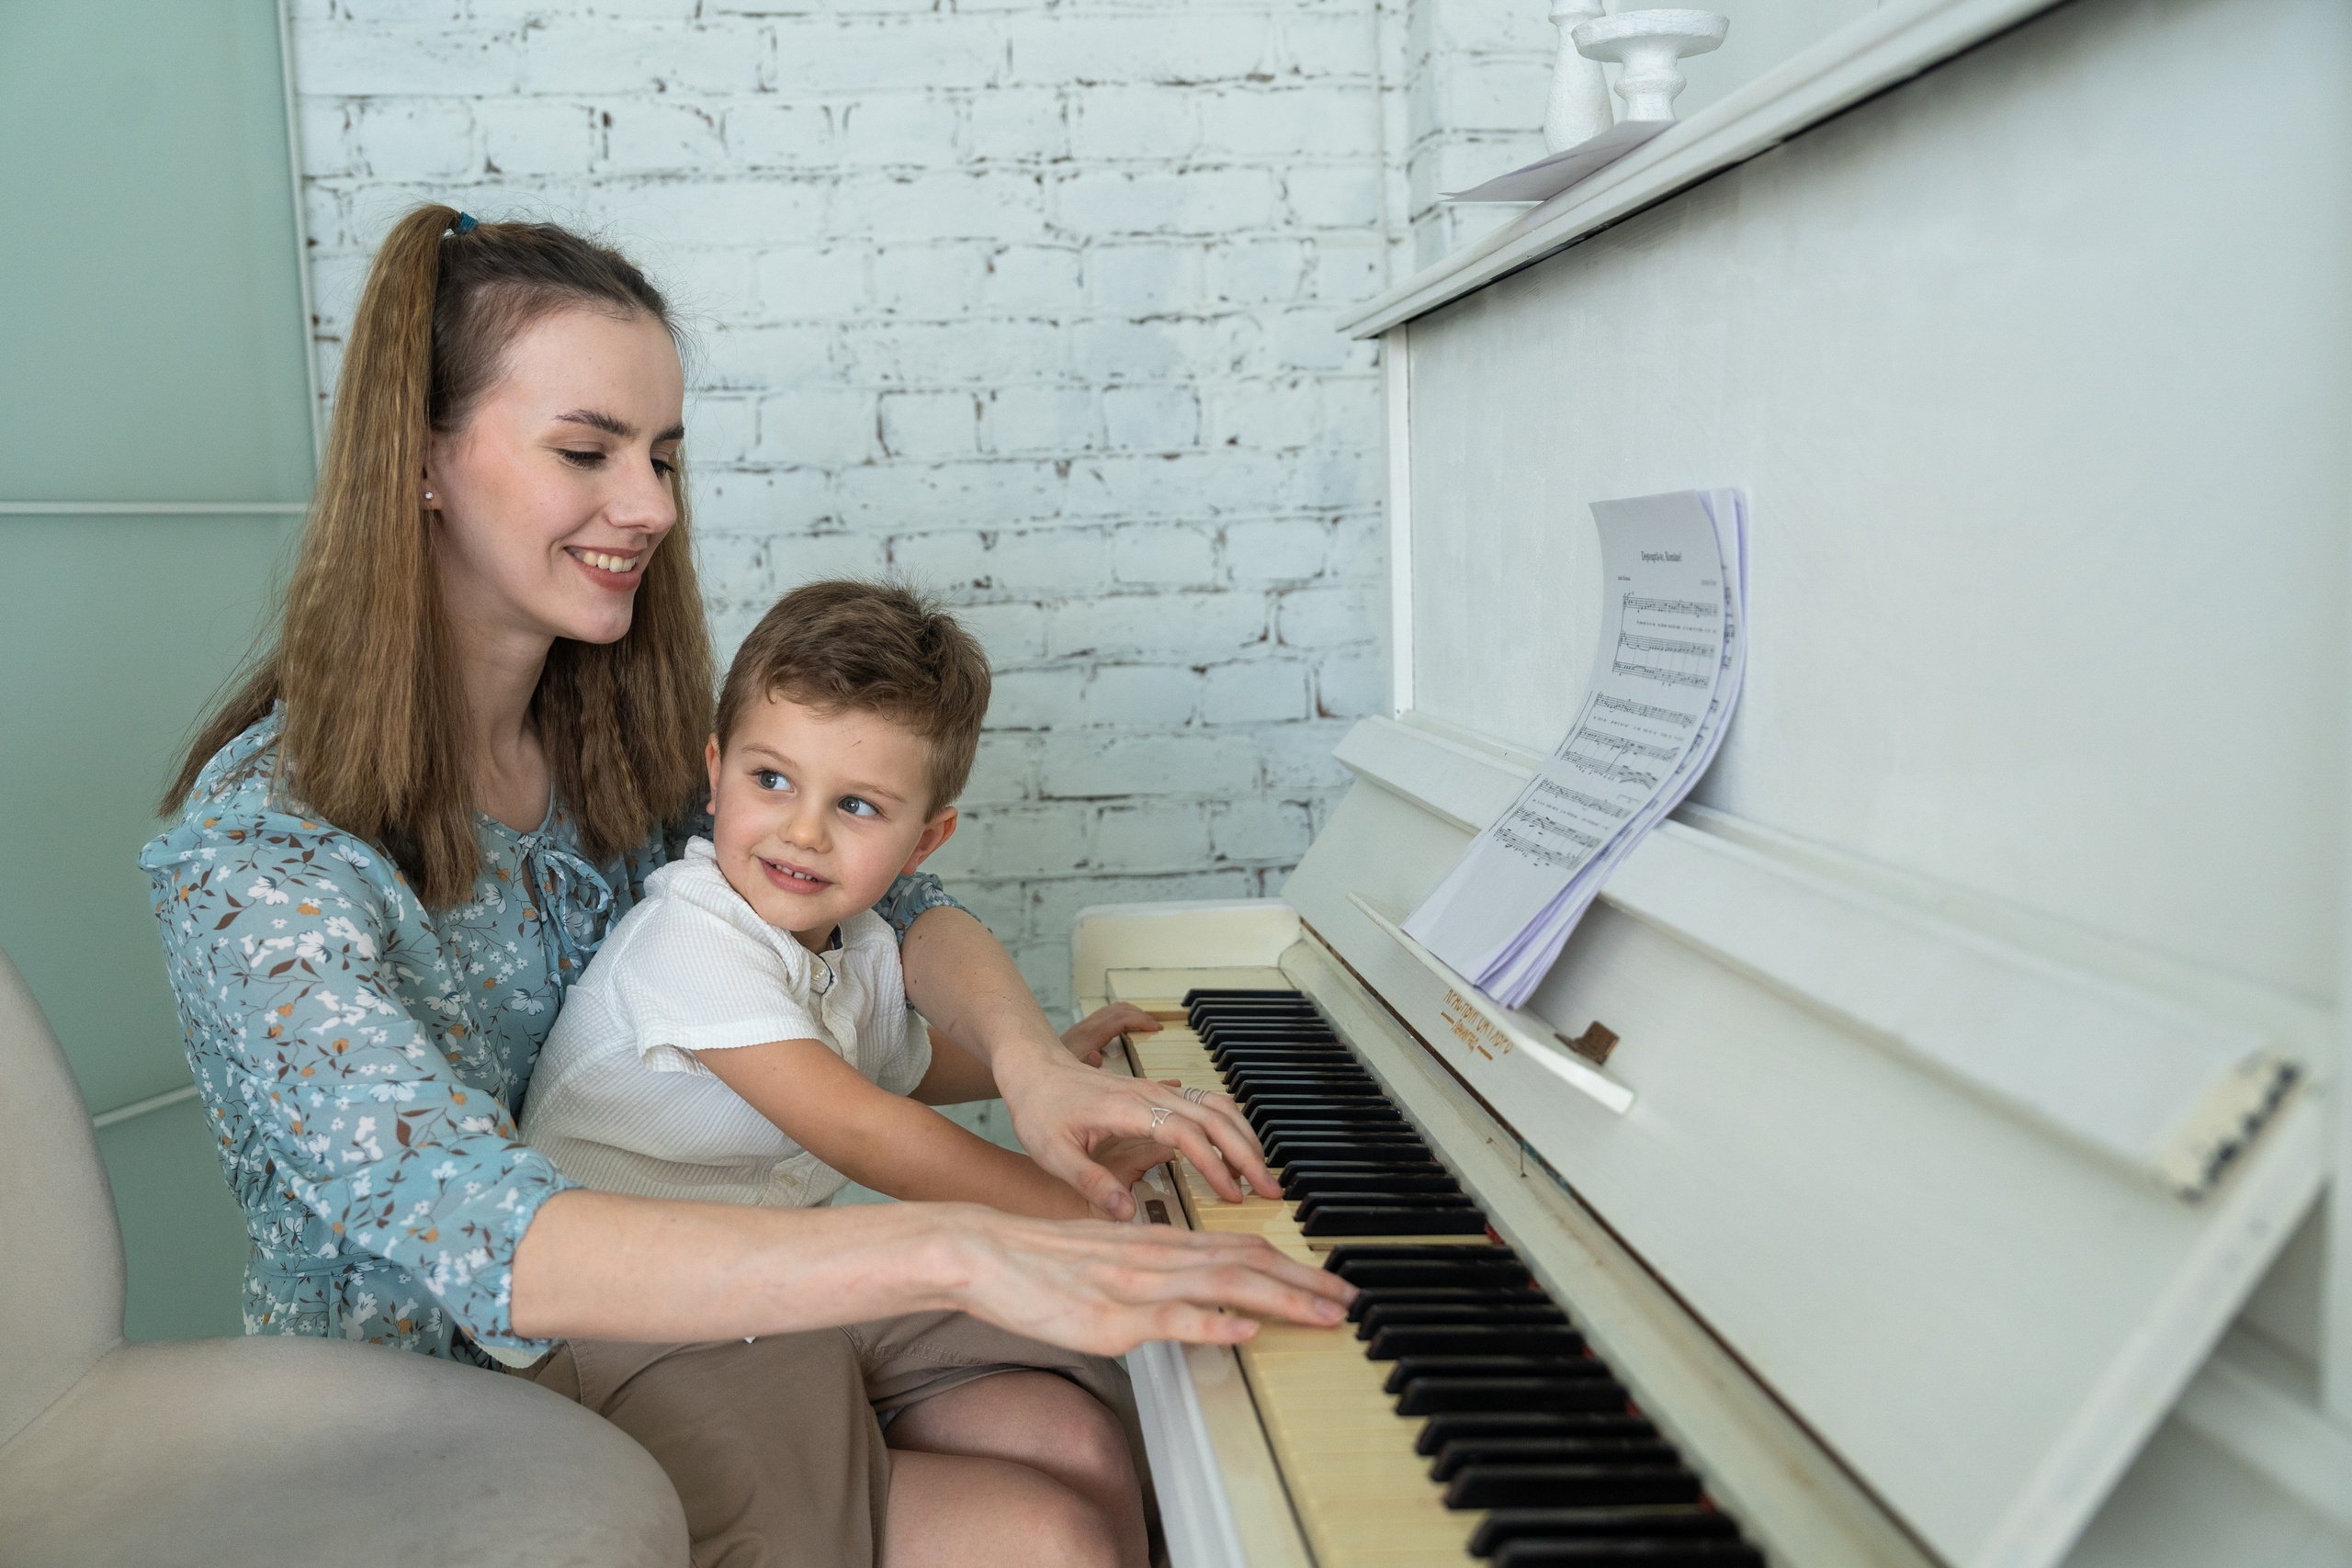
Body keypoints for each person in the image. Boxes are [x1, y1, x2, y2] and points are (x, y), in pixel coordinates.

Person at [140, 205, 1349, 1568]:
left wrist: (1031, 1067)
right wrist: (958, 1241)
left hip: (722, 1276)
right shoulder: (260, 854)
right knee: (1038, 1534)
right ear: (422, 463)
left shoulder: (624, 745)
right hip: (452, 1387)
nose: (652, 505)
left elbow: (886, 922)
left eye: (661, 455)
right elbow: (487, 1233)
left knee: (1085, 1438)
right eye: (588, 451)